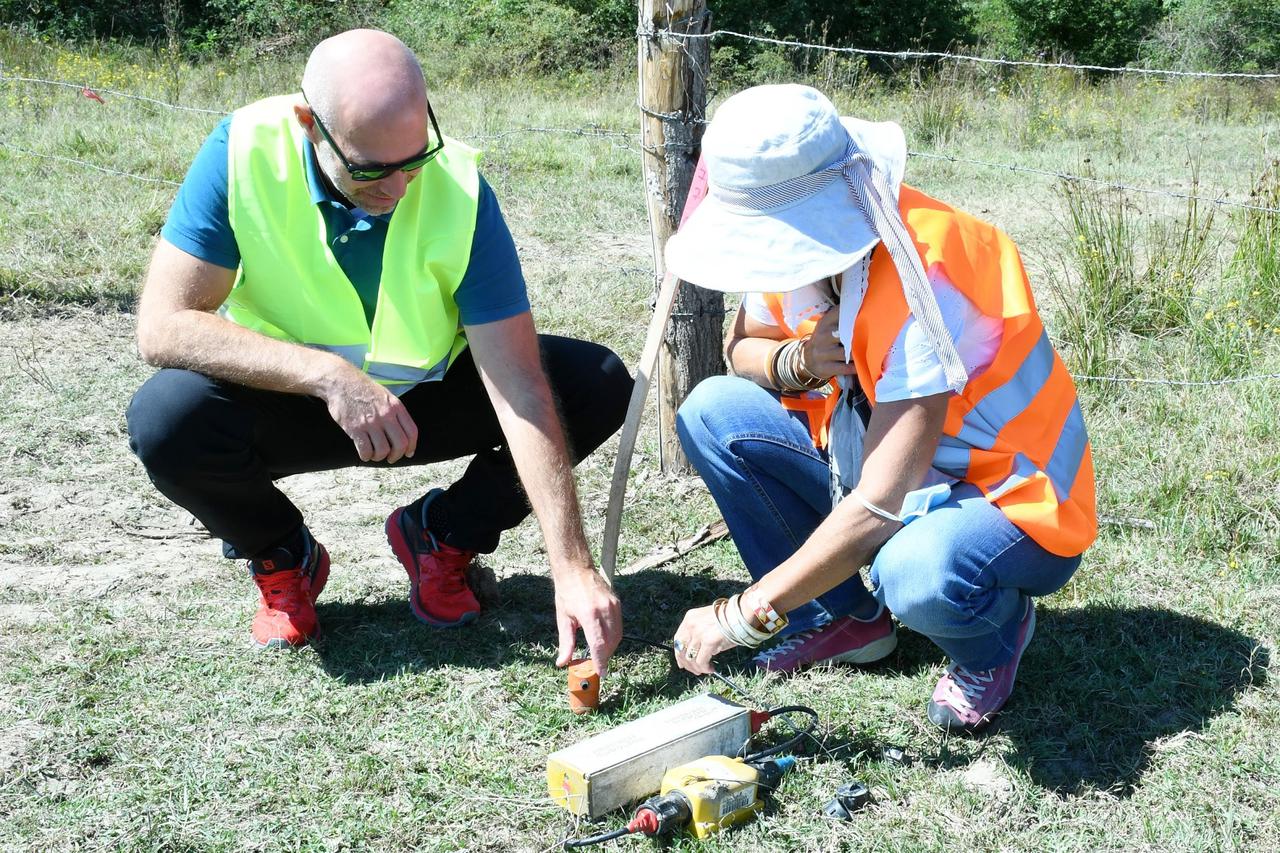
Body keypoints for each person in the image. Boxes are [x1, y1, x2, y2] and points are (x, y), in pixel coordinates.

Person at [125, 29, 631, 674]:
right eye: (370, 169)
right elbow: (163, 327)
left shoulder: (459, 188)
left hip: (427, 397)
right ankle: (282, 555)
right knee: (167, 420)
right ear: (310, 124)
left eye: (414, 159)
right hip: (297, 398)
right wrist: (326, 375)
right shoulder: (243, 151)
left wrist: (572, 566)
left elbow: (519, 385)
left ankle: (444, 535)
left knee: (594, 381)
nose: (397, 188)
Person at [665, 85, 1096, 732]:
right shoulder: (804, 246)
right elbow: (742, 350)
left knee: (914, 570)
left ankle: (993, 640)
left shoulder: (926, 276)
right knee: (711, 411)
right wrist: (797, 362)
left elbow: (879, 503)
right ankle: (843, 618)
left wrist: (744, 612)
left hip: (1007, 493)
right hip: (873, 464)